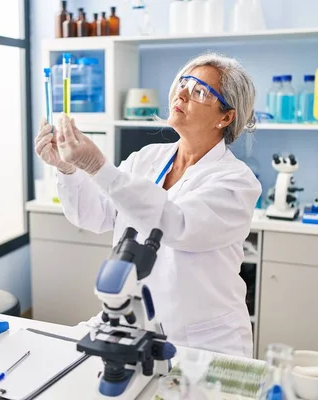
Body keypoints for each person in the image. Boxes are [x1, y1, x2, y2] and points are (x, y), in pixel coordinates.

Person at [34, 53, 261, 358]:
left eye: (199, 92)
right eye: (183, 83)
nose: (181, 94)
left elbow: (177, 225)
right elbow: (96, 216)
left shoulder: (237, 182)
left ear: (226, 117)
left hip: (206, 343)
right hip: (137, 327)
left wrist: (99, 167)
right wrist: (68, 169)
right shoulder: (146, 158)